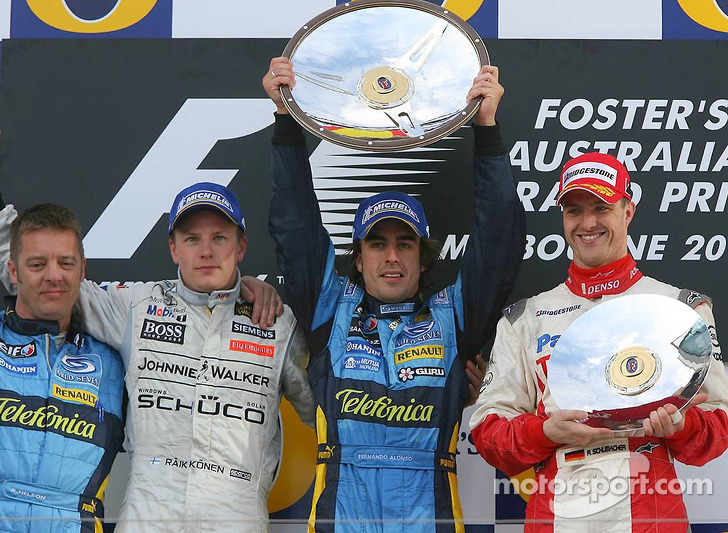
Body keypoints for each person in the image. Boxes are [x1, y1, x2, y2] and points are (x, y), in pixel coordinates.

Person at [0, 109, 315, 533]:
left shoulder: (274, 322)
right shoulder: (136, 307)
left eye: (219, 237)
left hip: (236, 517)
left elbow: (328, 408)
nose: (206, 251)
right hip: (148, 518)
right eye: (191, 238)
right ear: (172, 248)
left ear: (241, 247)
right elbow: (40, 277)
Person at [263, 58, 526, 532]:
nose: (391, 257)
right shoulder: (331, 308)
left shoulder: (453, 316)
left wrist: (486, 129)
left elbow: (499, 238)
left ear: (424, 258)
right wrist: (285, 121)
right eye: (377, 244)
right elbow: (295, 226)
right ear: (357, 258)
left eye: (404, 244)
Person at [470, 152, 728, 532]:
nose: (587, 223)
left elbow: (718, 427)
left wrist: (681, 427)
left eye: (601, 207)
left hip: (650, 511)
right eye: (574, 210)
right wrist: (544, 432)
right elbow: (489, 434)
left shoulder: (681, 308)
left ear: (628, 211)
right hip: (555, 511)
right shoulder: (525, 318)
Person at [0, 196, 125, 529]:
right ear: (13, 270)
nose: (54, 276)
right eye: (37, 265)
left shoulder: (115, 359)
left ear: (82, 269)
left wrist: (241, 290)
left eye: (66, 263)